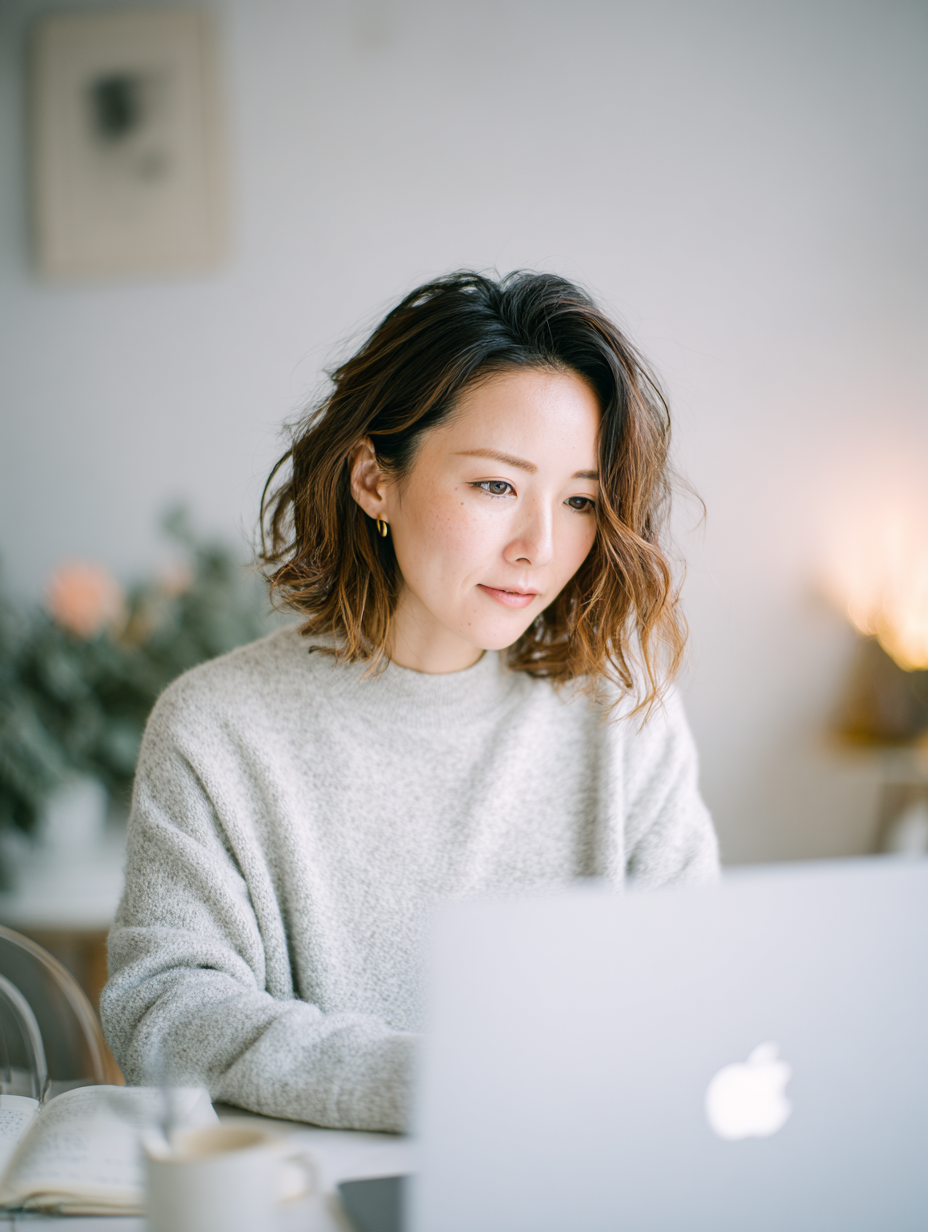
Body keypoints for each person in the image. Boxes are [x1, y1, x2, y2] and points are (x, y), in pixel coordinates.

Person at [101, 271, 719, 1133]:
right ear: (372, 480)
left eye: (580, 500)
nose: (539, 546)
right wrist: (436, 1083)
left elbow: (697, 996)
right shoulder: (217, 727)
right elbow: (164, 1010)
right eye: (496, 486)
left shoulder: (623, 720)